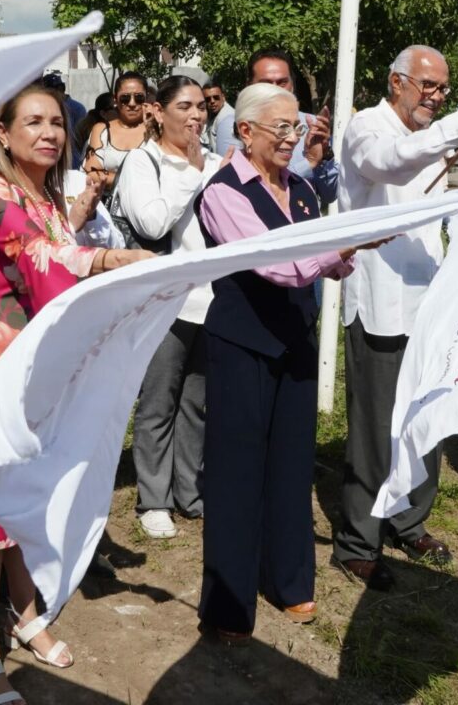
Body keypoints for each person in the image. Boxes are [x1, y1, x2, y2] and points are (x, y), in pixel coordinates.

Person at [0, 84, 153, 703]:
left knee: (22, 492)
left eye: (57, 122)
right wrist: (111, 262)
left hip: (31, 365)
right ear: (3, 134)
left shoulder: (51, 197)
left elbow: (58, 259)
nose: (50, 132)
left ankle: (25, 611)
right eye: (32, 122)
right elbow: (39, 255)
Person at [331, 45, 458, 590]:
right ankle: (358, 541)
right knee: (376, 427)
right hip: (381, 300)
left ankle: (410, 520)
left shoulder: (436, 136)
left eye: (442, 89)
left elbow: (441, 200)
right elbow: (390, 162)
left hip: (429, 300)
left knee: (426, 415)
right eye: (426, 87)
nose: (434, 97)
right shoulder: (367, 126)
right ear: (396, 83)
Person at [195, 83, 368, 644]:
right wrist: (333, 252)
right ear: (245, 132)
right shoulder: (223, 193)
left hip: (294, 340)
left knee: (292, 467)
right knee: (236, 475)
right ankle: (227, 606)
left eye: (297, 128)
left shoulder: (300, 190)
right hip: (242, 345)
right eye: (282, 129)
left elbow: (317, 263)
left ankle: (290, 582)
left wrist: (347, 255)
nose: (292, 139)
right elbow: (272, 265)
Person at [114, 76, 223, 539]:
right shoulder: (144, 161)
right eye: (184, 106)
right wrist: (193, 175)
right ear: (158, 112)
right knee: (159, 400)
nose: (196, 115)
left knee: (196, 403)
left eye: (200, 106)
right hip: (164, 300)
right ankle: (153, 498)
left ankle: (188, 491)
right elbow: (153, 220)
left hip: (212, 297)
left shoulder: (217, 161)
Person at [211, 50, 337, 204]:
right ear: (248, 86)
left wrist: (325, 157)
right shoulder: (236, 125)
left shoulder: (310, 124)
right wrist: (308, 163)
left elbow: (330, 195)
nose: (276, 90)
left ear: (292, 84)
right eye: (266, 83)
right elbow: (243, 188)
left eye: (282, 82)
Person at [83, 71, 152, 194]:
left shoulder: (156, 130)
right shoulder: (102, 129)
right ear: (116, 99)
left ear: (146, 98)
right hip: (108, 208)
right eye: (125, 98)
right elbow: (91, 173)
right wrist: (131, 180)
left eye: (139, 98)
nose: (132, 103)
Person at [202, 77, 228, 151]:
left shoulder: (226, 119)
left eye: (216, 97)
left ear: (223, 97)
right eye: (208, 99)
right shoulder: (209, 116)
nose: (212, 101)